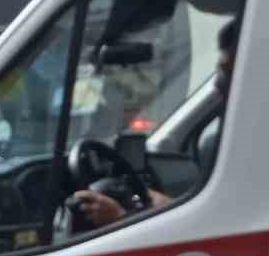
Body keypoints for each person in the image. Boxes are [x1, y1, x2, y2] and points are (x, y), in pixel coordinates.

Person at [74, 18, 237, 228]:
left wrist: (120, 219)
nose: (217, 82)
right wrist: (160, 205)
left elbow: (215, 233)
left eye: (225, 71)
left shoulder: (248, 149)